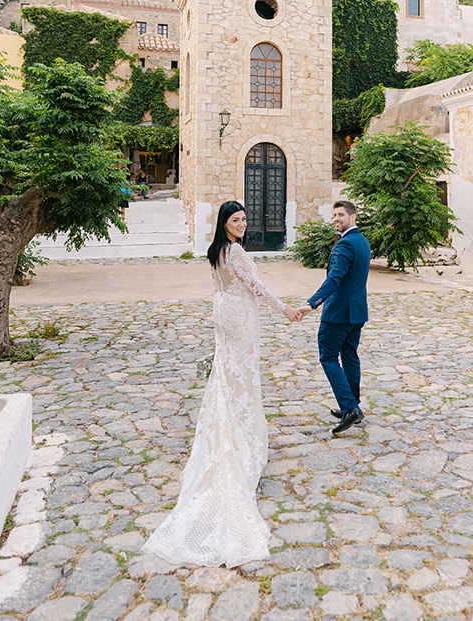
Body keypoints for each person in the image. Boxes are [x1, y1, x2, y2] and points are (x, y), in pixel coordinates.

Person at [142, 200, 296, 568]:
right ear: (225, 223)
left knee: (228, 375)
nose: (241, 224)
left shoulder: (216, 251)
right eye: (235, 220)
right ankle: (240, 437)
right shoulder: (237, 252)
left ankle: (232, 425)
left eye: (244, 219)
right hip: (239, 318)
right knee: (241, 376)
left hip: (224, 313)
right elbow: (258, 288)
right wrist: (287, 310)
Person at [296, 200, 371, 434]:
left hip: (338, 313)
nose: (336, 219)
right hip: (357, 311)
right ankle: (353, 405)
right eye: (334, 215)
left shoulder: (345, 246)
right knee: (349, 356)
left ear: (353, 217)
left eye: (341, 215)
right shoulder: (362, 242)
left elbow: (334, 279)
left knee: (328, 357)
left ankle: (349, 408)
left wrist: (312, 303)